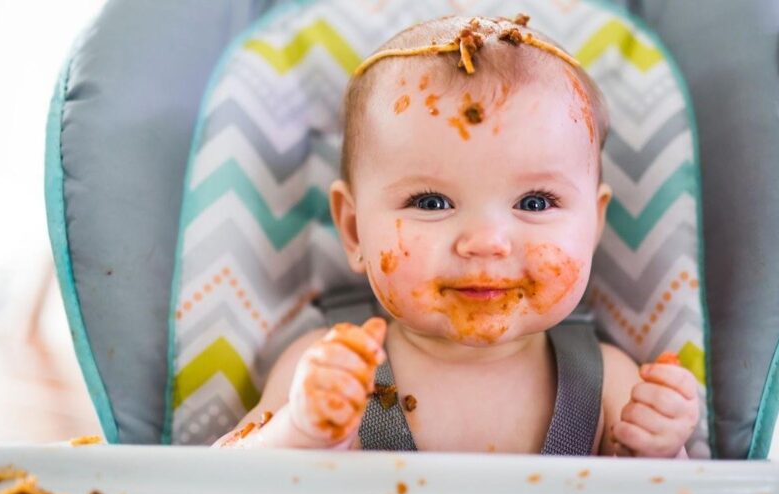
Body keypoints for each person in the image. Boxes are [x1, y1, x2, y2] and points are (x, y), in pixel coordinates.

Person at [215, 14, 699, 457]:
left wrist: (660, 453)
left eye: (534, 203)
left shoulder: (609, 382)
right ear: (352, 228)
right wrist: (299, 434)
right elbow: (218, 487)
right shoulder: (327, 371)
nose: (487, 241)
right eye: (431, 203)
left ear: (594, 224)